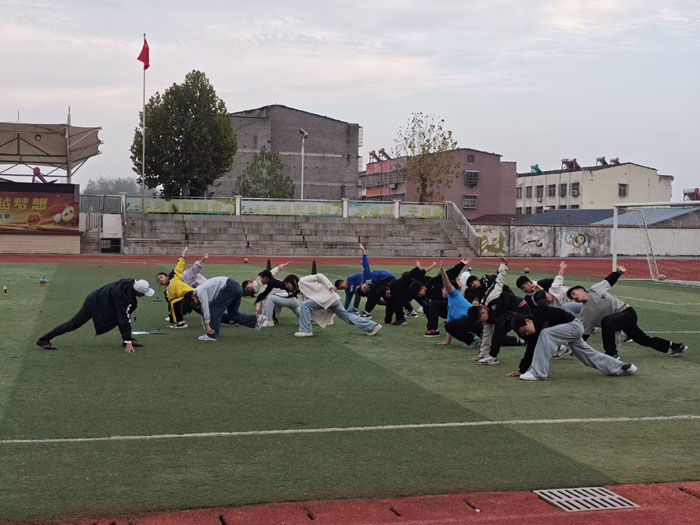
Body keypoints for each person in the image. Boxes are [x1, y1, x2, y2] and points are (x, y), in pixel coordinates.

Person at [508, 291, 638, 381]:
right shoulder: (532, 333)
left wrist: (540, 295)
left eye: (524, 330)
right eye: (523, 334)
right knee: (587, 355)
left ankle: (538, 373)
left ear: (528, 321)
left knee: (545, 333)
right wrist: (521, 370)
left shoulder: (539, 314)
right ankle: (621, 367)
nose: (526, 334)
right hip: (569, 332)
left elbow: (541, 298)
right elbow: (531, 348)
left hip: (574, 325)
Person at [567, 265, 688, 358]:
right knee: (643, 340)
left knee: (607, 321)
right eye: (572, 298)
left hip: (627, 313)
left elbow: (609, 280)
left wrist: (619, 272)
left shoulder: (595, 289)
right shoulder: (585, 313)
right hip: (616, 322)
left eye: (574, 293)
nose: (574, 297)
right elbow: (585, 334)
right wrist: (575, 348)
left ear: (581, 289)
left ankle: (611, 354)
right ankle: (676, 346)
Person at [36, 278, 155, 352]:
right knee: (74, 324)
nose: (144, 295)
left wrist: (127, 339)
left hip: (102, 300)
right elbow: (124, 318)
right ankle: (44, 339)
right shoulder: (123, 296)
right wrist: (128, 342)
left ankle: (126, 339)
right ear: (137, 291)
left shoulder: (130, 282)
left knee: (121, 317)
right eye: (143, 293)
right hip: (94, 303)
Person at [466, 255, 530, 365]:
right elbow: (486, 335)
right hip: (508, 313)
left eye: (482, 320)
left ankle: (493, 357)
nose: (483, 322)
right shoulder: (485, 317)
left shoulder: (491, 296)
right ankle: (490, 356)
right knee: (517, 331)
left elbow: (499, 280)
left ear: (482, 312)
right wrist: (482, 354)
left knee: (522, 330)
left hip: (519, 306)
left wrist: (503, 265)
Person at [295, 272, 382, 337]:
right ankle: (372, 326)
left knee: (305, 305)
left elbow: (320, 276)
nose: (290, 289)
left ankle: (306, 330)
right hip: (332, 299)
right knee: (348, 318)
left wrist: (330, 286)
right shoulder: (300, 292)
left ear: (294, 282)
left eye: (288, 285)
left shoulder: (303, 280)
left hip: (328, 299)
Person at [182, 276, 265, 341]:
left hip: (230, 286)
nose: (195, 304)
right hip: (236, 287)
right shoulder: (199, 293)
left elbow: (206, 310)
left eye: (193, 302)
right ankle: (256, 320)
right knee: (233, 314)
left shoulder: (199, 291)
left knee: (214, 309)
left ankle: (212, 335)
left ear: (192, 296)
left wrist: (208, 327)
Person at [157, 247, 209, 328]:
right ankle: (178, 322)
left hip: (193, 293)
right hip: (189, 298)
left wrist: (183, 253)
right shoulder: (167, 291)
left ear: (167, 276)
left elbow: (180, 264)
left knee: (175, 303)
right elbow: (171, 303)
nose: (160, 280)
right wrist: (172, 315)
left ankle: (180, 323)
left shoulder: (175, 276)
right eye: (158, 280)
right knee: (174, 303)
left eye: (161, 277)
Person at [335, 244, 393, 313]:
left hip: (386, 277)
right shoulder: (348, 291)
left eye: (342, 287)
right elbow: (348, 300)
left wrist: (364, 252)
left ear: (343, 281)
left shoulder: (354, 278)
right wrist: (344, 310)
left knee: (386, 292)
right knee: (377, 298)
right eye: (341, 289)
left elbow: (362, 271)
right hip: (376, 283)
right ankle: (392, 303)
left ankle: (357, 309)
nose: (343, 288)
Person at [422, 259, 470, 337]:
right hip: (447, 309)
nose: (443, 290)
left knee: (434, 304)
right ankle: (433, 327)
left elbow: (450, 273)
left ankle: (432, 330)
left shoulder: (452, 291)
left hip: (458, 310)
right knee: (427, 306)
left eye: (444, 288)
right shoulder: (428, 291)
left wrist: (461, 264)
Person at [517, 262, 581, 316]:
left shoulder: (548, 284)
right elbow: (548, 300)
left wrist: (562, 268)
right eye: (522, 289)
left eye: (523, 287)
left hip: (572, 298)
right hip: (561, 310)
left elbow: (559, 278)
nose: (524, 290)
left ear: (528, 283)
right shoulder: (531, 298)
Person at [384, 262, 436, 326]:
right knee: (426, 305)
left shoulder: (402, 281)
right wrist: (432, 265)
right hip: (416, 291)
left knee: (397, 302)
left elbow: (391, 304)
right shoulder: (412, 278)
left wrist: (418, 267)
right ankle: (431, 320)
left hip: (417, 290)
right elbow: (425, 270)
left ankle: (401, 319)